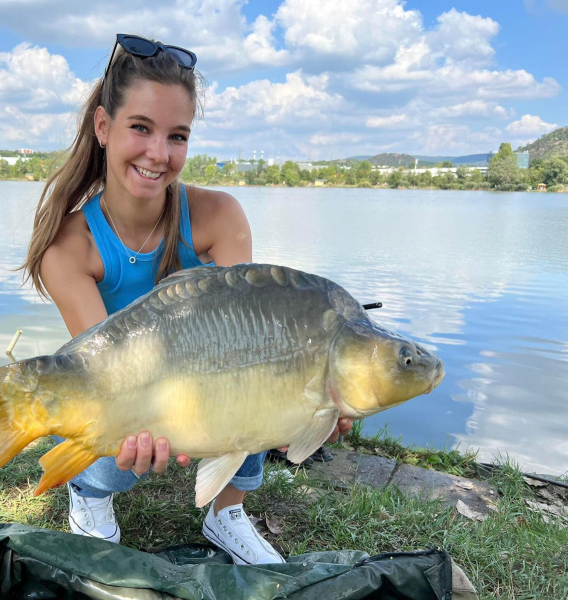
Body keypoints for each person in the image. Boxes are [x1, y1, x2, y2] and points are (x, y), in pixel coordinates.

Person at [21, 34, 352, 565]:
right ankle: (89, 495)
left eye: (177, 135)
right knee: (109, 443)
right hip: (127, 387)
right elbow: (98, 369)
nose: (159, 154)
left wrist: (310, 397)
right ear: (103, 128)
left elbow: (251, 335)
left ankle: (226, 511)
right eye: (141, 128)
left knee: (264, 390)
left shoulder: (220, 216)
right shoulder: (67, 247)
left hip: (212, 383)